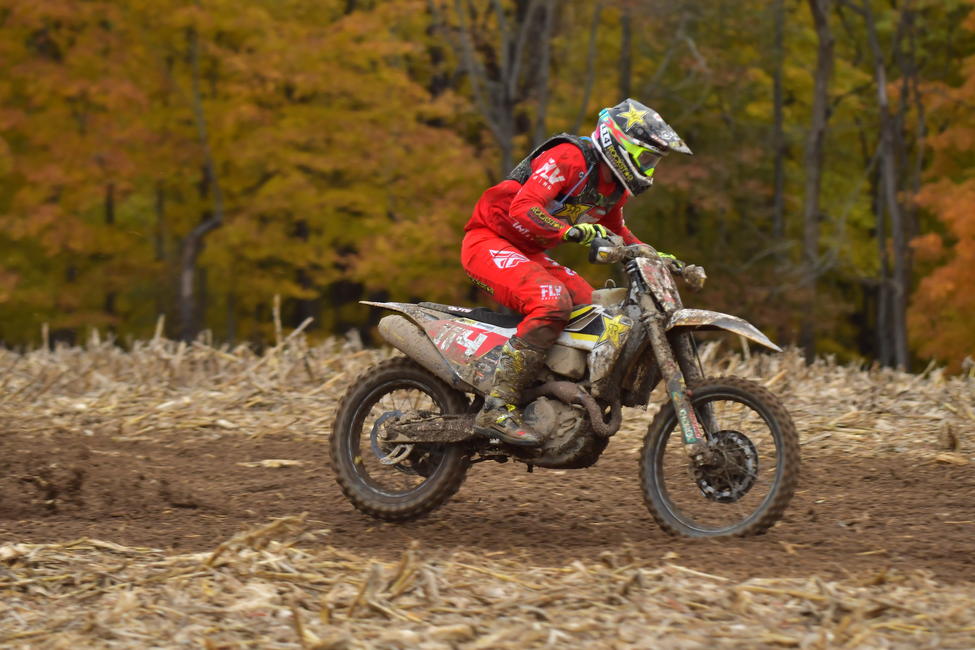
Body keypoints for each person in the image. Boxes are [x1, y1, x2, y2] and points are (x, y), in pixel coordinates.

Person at [461, 98, 693, 447]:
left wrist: (660, 258)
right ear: (621, 145)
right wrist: (568, 231)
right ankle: (496, 407)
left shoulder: (612, 189)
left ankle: (547, 393)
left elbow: (621, 237)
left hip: (529, 252)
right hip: (488, 241)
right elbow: (524, 207)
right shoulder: (569, 157)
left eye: (654, 161)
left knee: (588, 304)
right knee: (551, 301)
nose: (649, 167)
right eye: (647, 158)